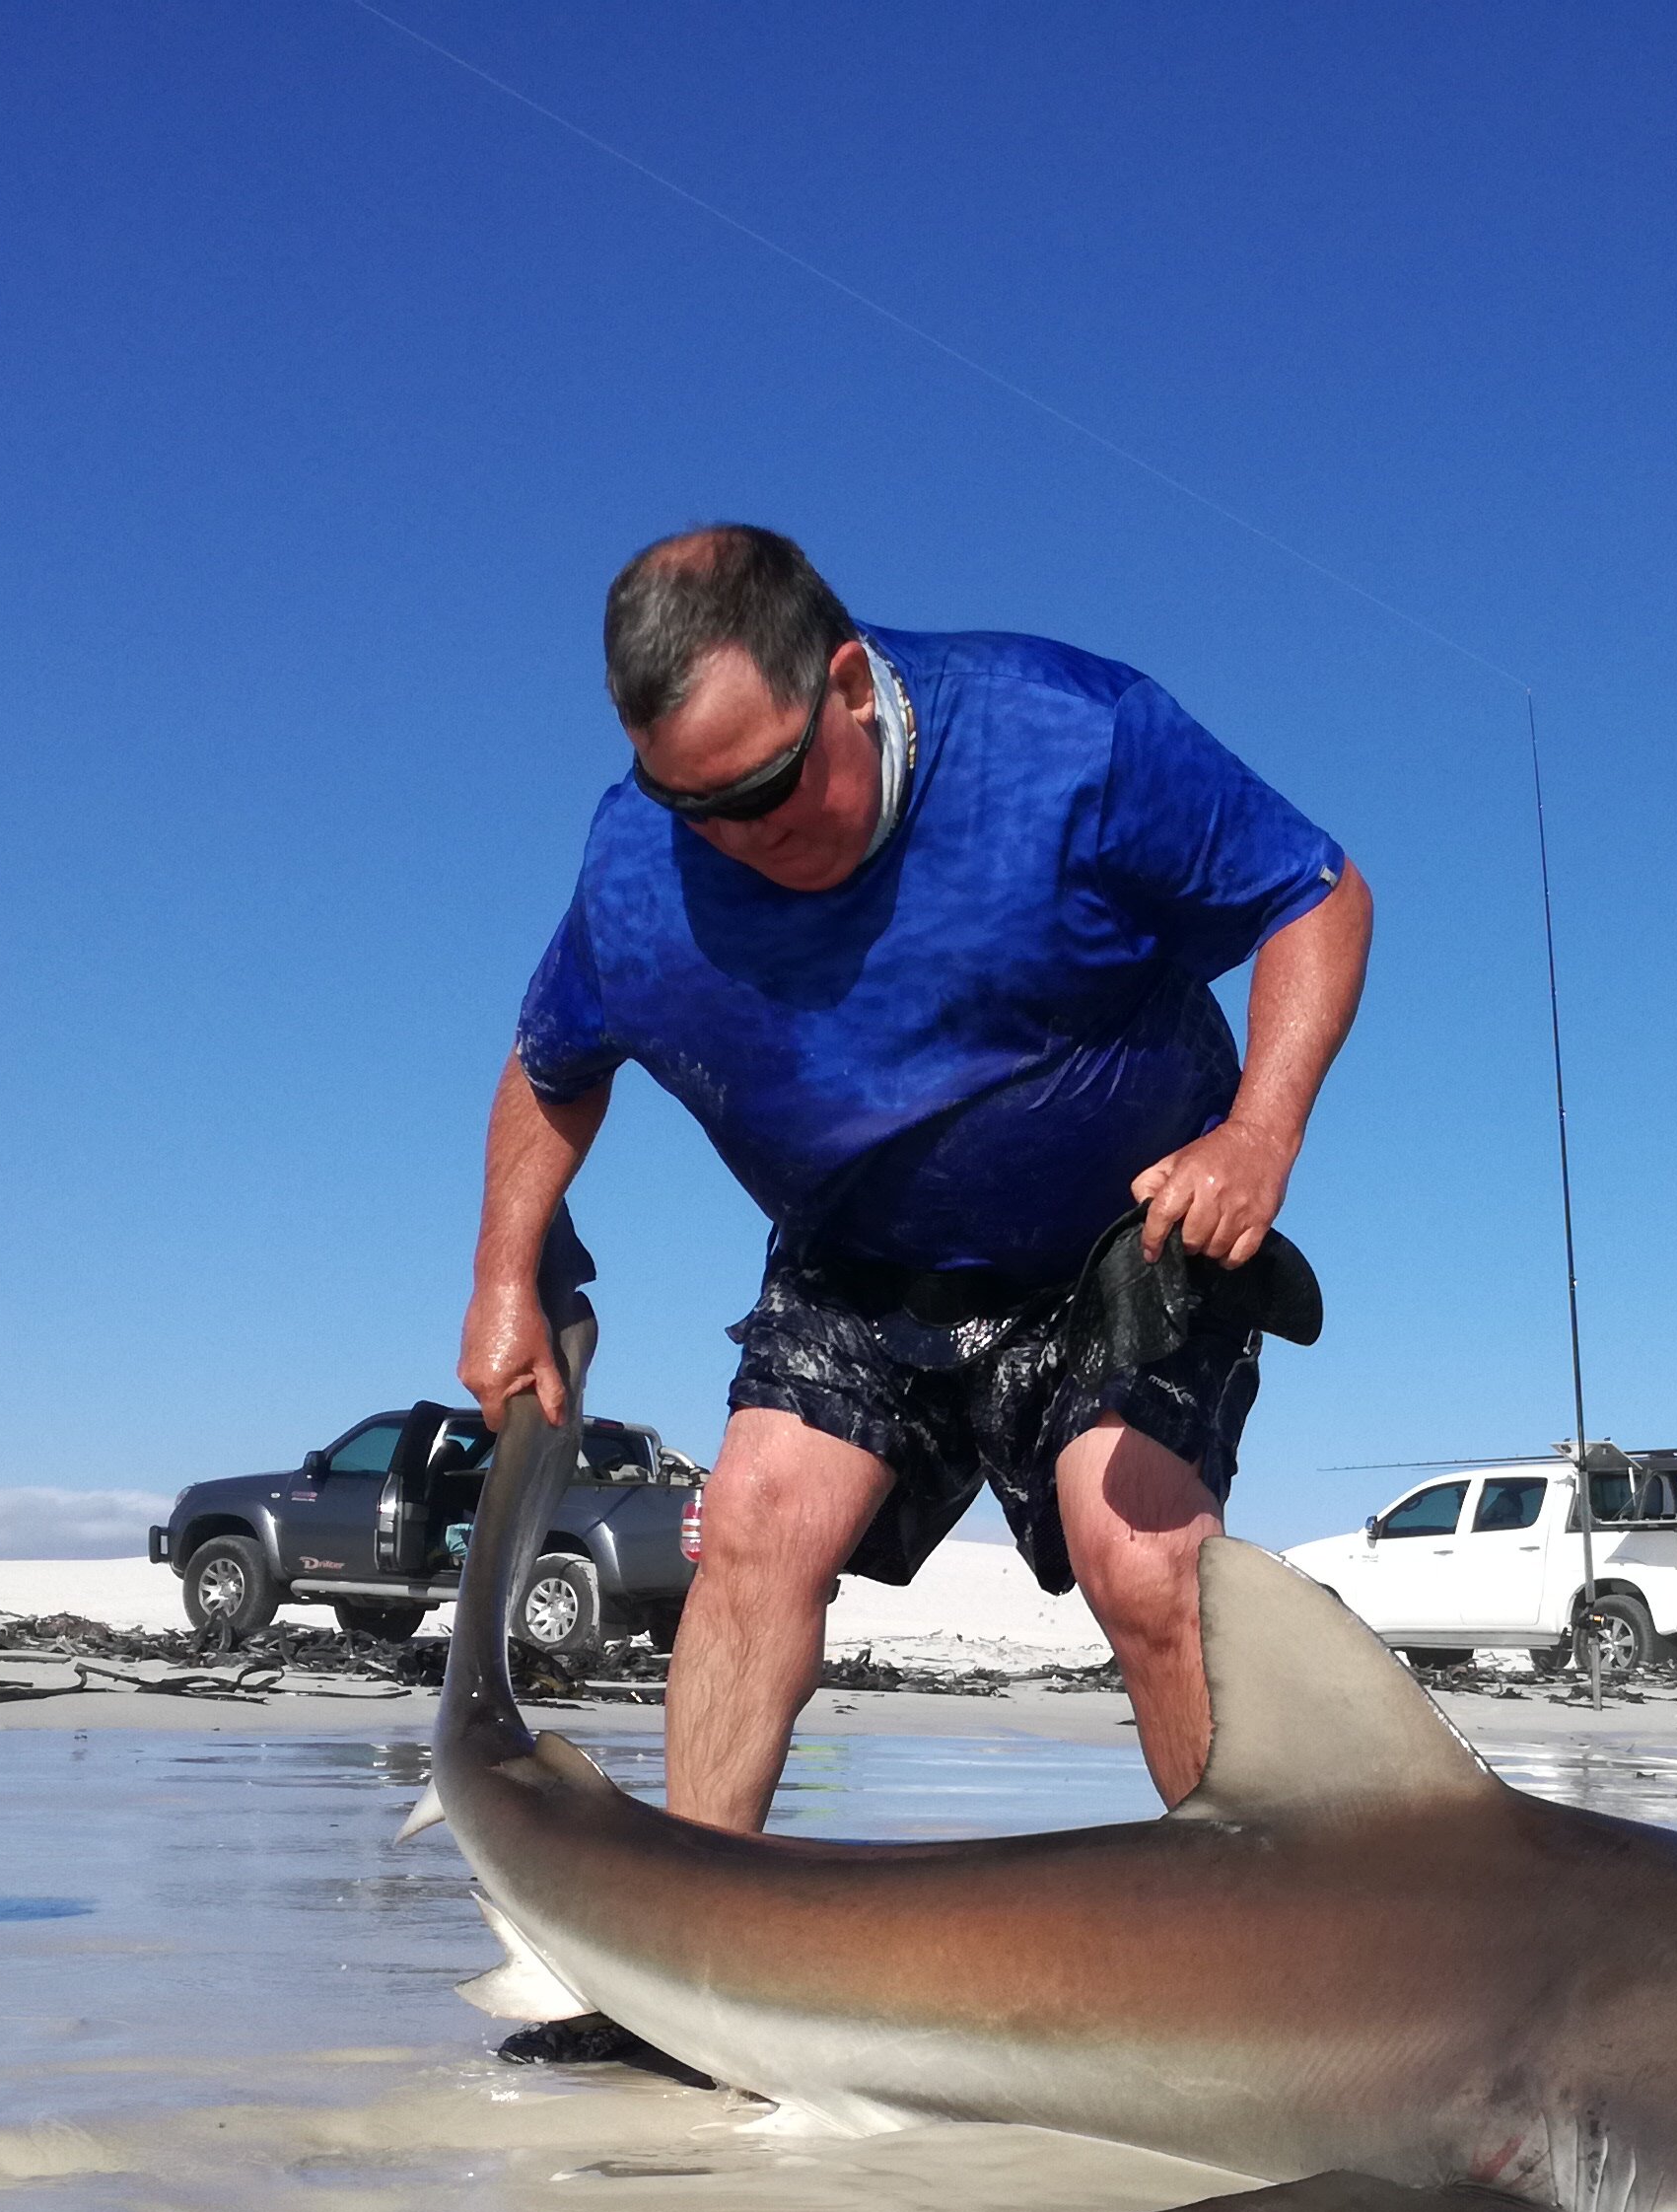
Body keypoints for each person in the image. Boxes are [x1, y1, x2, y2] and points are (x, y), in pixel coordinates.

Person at [457, 524, 1371, 1829]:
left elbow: (1317, 897)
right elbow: (552, 1065)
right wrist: (503, 1275)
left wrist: (1260, 1135)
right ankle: (680, 1943)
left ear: (843, 683)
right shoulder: (635, 868)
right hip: (854, 1257)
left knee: (1149, 1560)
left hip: (1122, 1248)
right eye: (692, 807)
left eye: (764, 791)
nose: (735, 839)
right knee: (758, 1532)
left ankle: (1246, 1926)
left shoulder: (1072, 738)